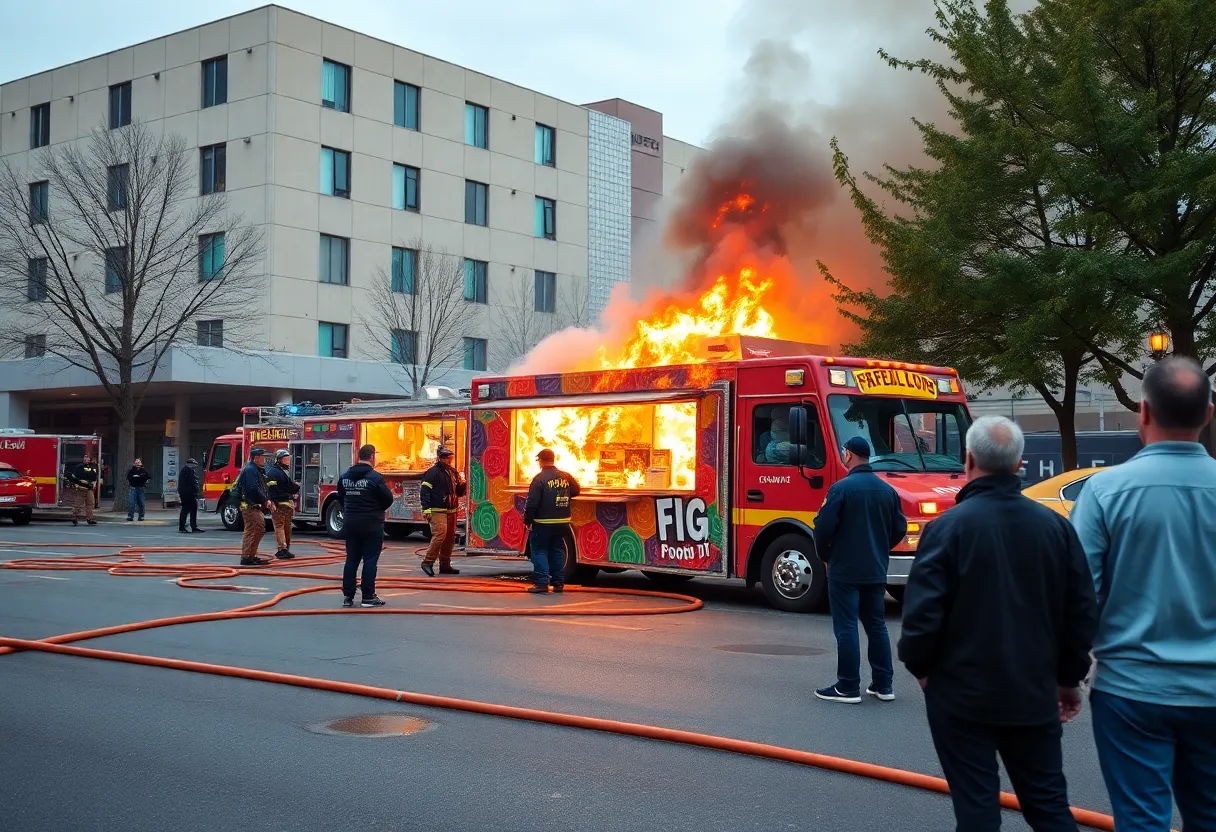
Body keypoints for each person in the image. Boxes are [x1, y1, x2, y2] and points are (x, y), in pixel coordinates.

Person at [899, 415, 1097, 832]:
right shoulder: (1056, 529)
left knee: (976, 808)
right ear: (1020, 464)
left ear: (968, 459)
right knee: (1047, 805)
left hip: (960, 694)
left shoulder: (945, 530)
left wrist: (925, 672)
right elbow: (1080, 612)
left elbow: (920, 619)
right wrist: (1067, 679)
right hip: (1034, 691)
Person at [1070, 356, 1216, 832]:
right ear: (1208, 413)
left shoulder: (1105, 491)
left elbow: (1078, 598)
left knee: (1141, 821)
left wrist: (1065, 677)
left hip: (1131, 693)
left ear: (1144, 411)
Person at [812, 436, 907, 703]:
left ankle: (848, 686)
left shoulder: (841, 489)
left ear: (850, 455)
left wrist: (825, 556)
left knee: (846, 627)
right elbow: (900, 528)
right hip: (875, 568)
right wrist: (880, 547)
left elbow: (823, 528)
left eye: (844, 452)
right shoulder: (887, 490)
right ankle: (883, 685)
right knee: (876, 625)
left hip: (844, 569)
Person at [338, 444, 394, 607]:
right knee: (370, 560)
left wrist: (351, 510)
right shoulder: (375, 477)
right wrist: (376, 509)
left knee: (352, 559)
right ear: (371, 457)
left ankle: (348, 597)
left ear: (358, 456)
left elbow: (341, 497)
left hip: (351, 522)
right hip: (371, 523)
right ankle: (368, 597)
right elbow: (387, 499)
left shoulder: (345, 476)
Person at [523, 449, 580, 595]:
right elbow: (576, 490)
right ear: (553, 459)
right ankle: (558, 583)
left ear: (541, 461)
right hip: (562, 521)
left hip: (543, 521)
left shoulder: (539, 479)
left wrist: (528, 519)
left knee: (539, 550)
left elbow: (532, 503)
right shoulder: (565, 476)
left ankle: (542, 582)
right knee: (557, 549)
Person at [419, 446, 467, 576]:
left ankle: (445, 565)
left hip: (451, 509)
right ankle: (427, 562)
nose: (449, 460)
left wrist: (464, 483)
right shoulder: (432, 472)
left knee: (449, 538)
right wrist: (426, 508)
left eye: (450, 458)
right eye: (446, 458)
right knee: (440, 535)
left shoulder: (453, 472)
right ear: (440, 458)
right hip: (437, 509)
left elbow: (459, 492)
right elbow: (425, 490)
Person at [236, 447, 272, 566]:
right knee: (256, 529)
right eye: (263, 457)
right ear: (256, 458)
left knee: (255, 529)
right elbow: (253, 488)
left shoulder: (255, 469)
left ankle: (250, 555)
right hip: (250, 506)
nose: (264, 459)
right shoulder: (251, 470)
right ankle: (247, 557)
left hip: (253, 505)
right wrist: (265, 500)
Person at [265, 449, 300, 560]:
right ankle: (285, 549)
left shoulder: (274, 472)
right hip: (281, 504)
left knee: (281, 527)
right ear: (279, 460)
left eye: (288, 459)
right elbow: (273, 490)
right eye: (286, 459)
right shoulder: (278, 472)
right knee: (284, 527)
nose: (288, 461)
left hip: (282, 504)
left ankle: (283, 549)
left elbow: (271, 490)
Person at [67, 452, 100, 526]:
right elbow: (74, 477)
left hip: (89, 489)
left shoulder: (92, 467)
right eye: (85, 457)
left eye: (88, 457)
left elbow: (94, 477)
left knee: (90, 503)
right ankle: (74, 517)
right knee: (78, 504)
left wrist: (93, 483)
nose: (87, 459)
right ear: (83, 459)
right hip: (81, 488)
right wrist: (80, 482)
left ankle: (90, 519)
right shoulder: (79, 467)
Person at [177, 457, 204, 534]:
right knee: (186, 509)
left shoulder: (188, 470)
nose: (195, 466)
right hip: (187, 493)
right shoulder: (187, 470)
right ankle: (183, 527)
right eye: (194, 464)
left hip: (188, 493)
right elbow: (192, 482)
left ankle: (193, 526)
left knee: (192, 509)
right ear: (190, 464)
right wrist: (196, 490)